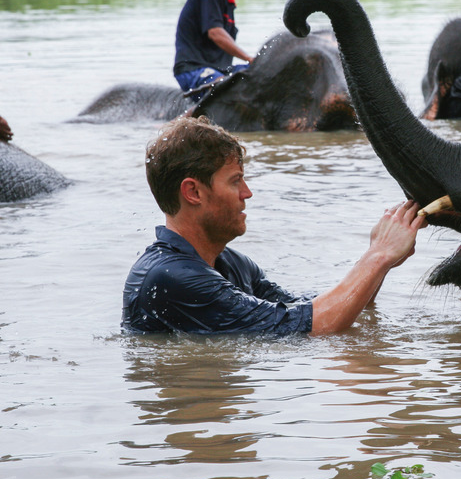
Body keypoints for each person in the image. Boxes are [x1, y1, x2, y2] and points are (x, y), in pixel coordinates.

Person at [122, 116, 426, 336]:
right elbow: (317, 327)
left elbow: (310, 309)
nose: (247, 193)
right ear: (193, 192)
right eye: (235, 181)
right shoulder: (172, 277)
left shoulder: (231, 264)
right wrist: (378, 256)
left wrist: (381, 259)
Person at [173, 0, 257, 102]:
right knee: (225, 90)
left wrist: (257, 65)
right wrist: (248, 58)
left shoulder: (227, 0)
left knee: (260, 73)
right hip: (194, 70)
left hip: (220, 70)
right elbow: (215, 32)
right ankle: (180, 122)